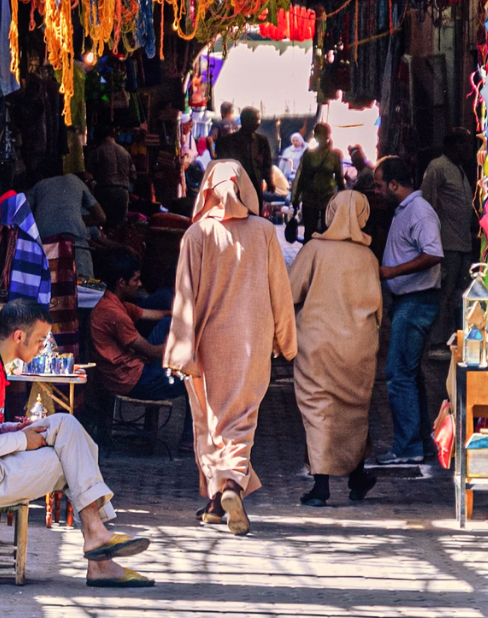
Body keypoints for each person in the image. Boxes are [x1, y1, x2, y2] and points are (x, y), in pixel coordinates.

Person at [0, 299, 154, 588]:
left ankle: (97, 540)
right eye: (38, 340)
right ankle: (99, 553)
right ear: (18, 336)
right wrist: (21, 439)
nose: (41, 348)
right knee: (71, 460)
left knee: (66, 425)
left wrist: (12, 427)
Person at [164, 160, 296, 536]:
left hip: (205, 347)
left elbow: (184, 298)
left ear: (206, 190)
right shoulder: (265, 232)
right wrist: (285, 341)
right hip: (251, 344)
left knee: (207, 422)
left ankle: (214, 502)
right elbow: (279, 292)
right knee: (239, 422)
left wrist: (178, 352)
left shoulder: (196, 235)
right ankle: (232, 487)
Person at [289, 191, 382, 506]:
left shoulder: (314, 250)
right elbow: (379, 310)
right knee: (354, 411)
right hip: (359, 345)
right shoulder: (368, 257)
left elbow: (290, 293)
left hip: (317, 344)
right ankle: (357, 476)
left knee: (320, 411)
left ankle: (321, 487)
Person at [374, 156, 444, 466]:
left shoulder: (418, 210)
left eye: (379, 185)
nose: (376, 190)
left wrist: (393, 272)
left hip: (417, 300)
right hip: (409, 300)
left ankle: (407, 447)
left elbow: (433, 253)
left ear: (394, 184)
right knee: (409, 374)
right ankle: (422, 443)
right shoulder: (405, 210)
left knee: (398, 373)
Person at [421, 129, 477, 357]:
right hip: (446, 244)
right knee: (444, 294)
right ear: (453, 146)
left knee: (458, 294)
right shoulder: (438, 167)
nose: (468, 149)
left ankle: (453, 339)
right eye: (464, 144)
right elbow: (427, 205)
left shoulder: (459, 169)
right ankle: (436, 342)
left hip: (463, 243)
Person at [90, 250, 174, 401]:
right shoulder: (116, 314)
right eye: (136, 280)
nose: (140, 284)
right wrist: (181, 348)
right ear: (122, 283)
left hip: (131, 370)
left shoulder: (114, 304)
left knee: (167, 321)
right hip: (131, 381)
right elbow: (151, 351)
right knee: (193, 379)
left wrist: (183, 314)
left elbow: (159, 315)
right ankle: (195, 426)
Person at [26, 160, 106, 279]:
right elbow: (101, 216)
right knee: (85, 287)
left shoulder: (38, 186)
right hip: (76, 243)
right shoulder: (75, 181)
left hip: (45, 243)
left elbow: (24, 215)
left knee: (50, 288)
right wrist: (77, 220)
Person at [292, 123, 346, 241]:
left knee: (327, 232)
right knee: (309, 232)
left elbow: (339, 178)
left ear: (327, 135)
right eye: (317, 133)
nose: (319, 136)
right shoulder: (309, 154)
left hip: (327, 198)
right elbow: (302, 177)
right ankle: (308, 257)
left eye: (321, 133)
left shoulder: (335, 155)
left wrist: (344, 198)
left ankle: (324, 257)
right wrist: (296, 197)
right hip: (309, 198)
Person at [213, 108, 273, 195]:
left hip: (255, 185)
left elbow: (267, 163)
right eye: (256, 119)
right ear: (245, 121)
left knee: (255, 208)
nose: (259, 123)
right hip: (236, 186)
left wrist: (269, 180)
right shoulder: (227, 142)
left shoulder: (261, 140)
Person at [87, 126, 134, 230]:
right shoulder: (125, 152)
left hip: (105, 191)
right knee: (118, 229)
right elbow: (133, 175)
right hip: (123, 193)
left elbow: (88, 175)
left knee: (104, 226)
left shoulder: (97, 151)